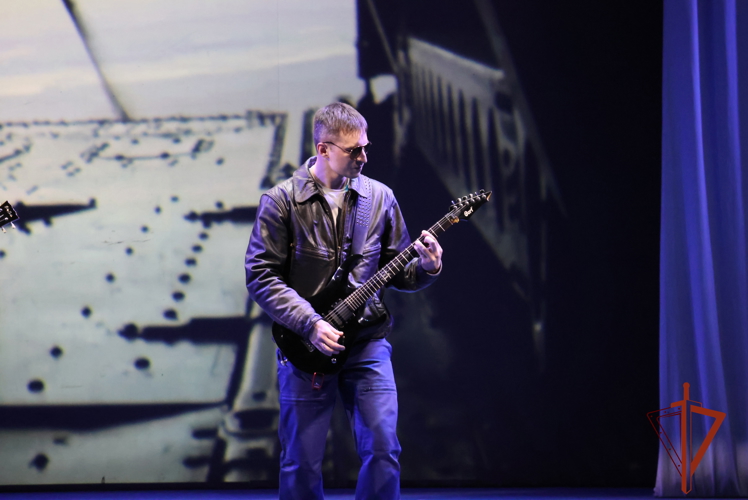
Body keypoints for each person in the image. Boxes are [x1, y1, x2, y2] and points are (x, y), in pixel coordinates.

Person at [245, 102, 442, 499]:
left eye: (365, 147)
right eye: (354, 150)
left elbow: (399, 271)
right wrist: (309, 323)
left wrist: (427, 268)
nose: (363, 157)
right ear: (323, 149)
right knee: (300, 461)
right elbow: (261, 275)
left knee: (384, 449)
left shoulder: (380, 197)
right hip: (306, 347)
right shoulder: (281, 201)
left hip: (367, 341)